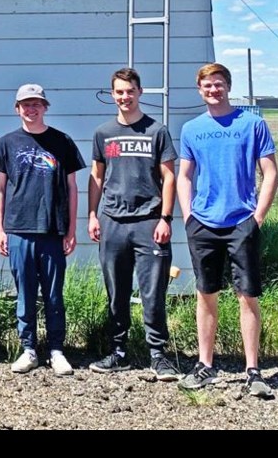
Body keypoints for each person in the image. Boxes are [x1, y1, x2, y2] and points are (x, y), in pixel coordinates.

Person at [176, 63, 278, 397]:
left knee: (247, 295)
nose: (213, 90)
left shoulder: (252, 124)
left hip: (241, 222)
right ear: (200, 90)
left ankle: (253, 371)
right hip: (203, 224)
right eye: (207, 85)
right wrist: (188, 215)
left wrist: (257, 217)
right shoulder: (192, 129)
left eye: (218, 84)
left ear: (228, 87)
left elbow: (270, 172)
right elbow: (185, 175)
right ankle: (205, 365)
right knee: (206, 294)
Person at [86, 68, 180, 380]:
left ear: (139, 92)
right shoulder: (103, 133)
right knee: (117, 291)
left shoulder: (157, 131)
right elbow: (97, 177)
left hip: (149, 222)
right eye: (119, 92)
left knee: (153, 293)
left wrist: (166, 218)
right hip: (112, 222)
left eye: (130, 91)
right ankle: (119, 352)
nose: (125, 97)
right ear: (112, 95)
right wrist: (92, 215)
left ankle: (158, 355)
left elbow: (169, 177)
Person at [0, 84, 85, 377]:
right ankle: (29, 348)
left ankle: (57, 350)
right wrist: (0, 230)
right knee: (25, 293)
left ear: (45, 107)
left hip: (53, 230)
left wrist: (71, 229)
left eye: (36, 104)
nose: (31, 109)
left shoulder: (63, 141)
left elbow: (72, 188)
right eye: (25, 104)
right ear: (16, 108)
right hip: (19, 229)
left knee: (54, 295)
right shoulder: (6, 144)